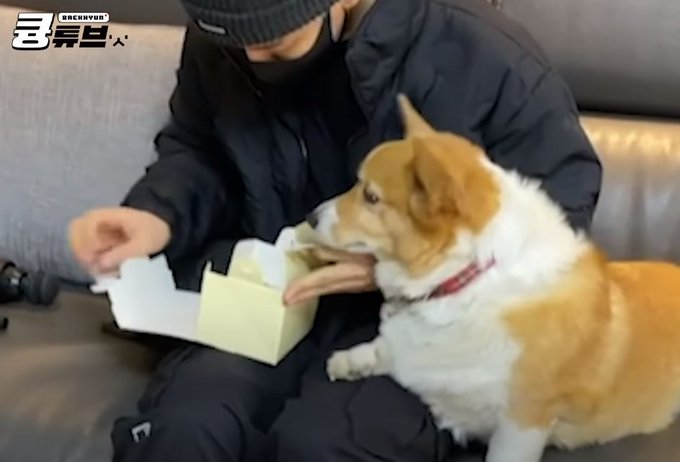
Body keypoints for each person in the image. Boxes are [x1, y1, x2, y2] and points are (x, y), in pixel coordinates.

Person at [69, 0, 602, 461]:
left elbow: (558, 210)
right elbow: (199, 149)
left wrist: (402, 265)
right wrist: (157, 215)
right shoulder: (229, 31)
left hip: (432, 323)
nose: (250, 57)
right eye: (234, 43)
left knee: (322, 445)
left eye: (274, 43)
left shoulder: (482, 54)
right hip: (272, 297)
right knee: (187, 431)